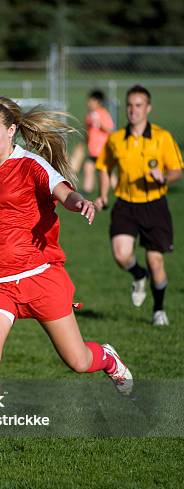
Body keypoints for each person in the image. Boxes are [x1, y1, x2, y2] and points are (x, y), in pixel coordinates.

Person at [0, 96, 133, 474]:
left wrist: (79, 203)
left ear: (12, 130)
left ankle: (107, 358)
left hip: (39, 275)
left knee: (78, 360)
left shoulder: (31, 165)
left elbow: (63, 191)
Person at [95, 84, 183, 326]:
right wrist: (103, 195)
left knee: (156, 261)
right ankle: (138, 274)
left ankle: (158, 309)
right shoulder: (115, 140)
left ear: (148, 108)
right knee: (122, 255)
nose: (133, 110)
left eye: (138, 105)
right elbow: (103, 166)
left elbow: (177, 169)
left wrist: (164, 177)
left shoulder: (162, 137)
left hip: (155, 205)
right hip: (125, 204)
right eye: (130, 105)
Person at [82, 90, 114, 194]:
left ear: (98, 102)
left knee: (105, 172)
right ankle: (87, 190)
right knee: (88, 167)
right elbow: (89, 131)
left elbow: (110, 129)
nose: (88, 103)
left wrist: (101, 125)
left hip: (102, 149)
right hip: (93, 150)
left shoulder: (103, 113)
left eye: (91, 101)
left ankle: (117, 187)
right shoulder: (90, 115)